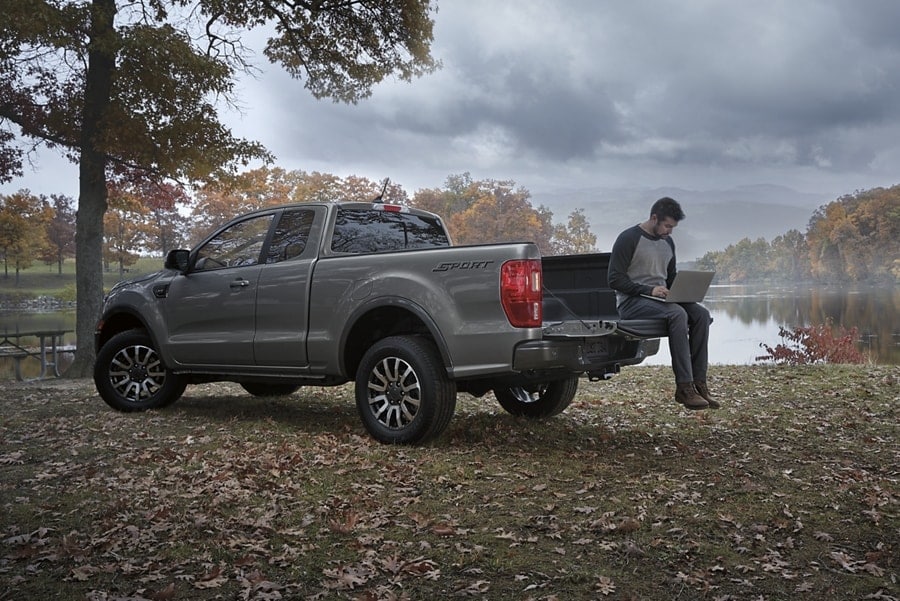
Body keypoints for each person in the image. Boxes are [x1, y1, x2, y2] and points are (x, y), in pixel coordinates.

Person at [607, 197, 719, 410]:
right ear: (654, 218)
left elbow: (670, 277)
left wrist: (683, 290)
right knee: (677, 314)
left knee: (701, 315)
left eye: (673, 227)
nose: (669, 231)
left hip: (660, 300)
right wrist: (648, 290)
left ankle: (699, 383)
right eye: (667, 226)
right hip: (632, 302)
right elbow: (614, 279)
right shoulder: (628, 238)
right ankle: (684, 388)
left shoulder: (668, 242)